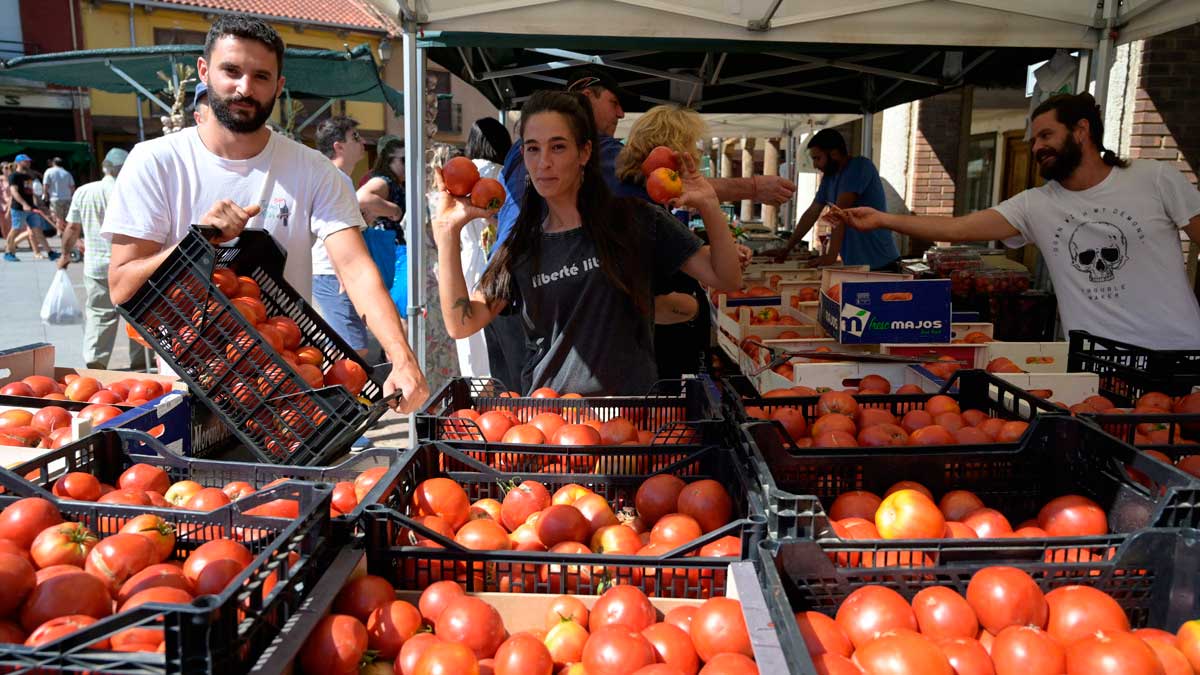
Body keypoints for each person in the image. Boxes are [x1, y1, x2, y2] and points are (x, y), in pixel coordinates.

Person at [100, 15, 428, 411]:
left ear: (279, 86)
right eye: (232, 71)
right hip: (184, 389)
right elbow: (122, 286)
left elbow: (355, 270)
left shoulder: (311, 169)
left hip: (287, 384)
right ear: (205, 72)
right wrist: (196, 242)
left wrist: (402, 356)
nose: (244, 88)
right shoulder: (156, 162)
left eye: (260, 77)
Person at [487, 69, 795, 390]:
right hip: (524, 291)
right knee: (540, 403)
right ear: (586, 97)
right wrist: (750, 188)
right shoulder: (605, 160)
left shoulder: (523, 154)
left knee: (523, 404)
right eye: (614, 102)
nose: (621, 113)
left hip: (512, 293)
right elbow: (654, 187)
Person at [432, 90, 743, 396]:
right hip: (553, 426)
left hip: (631, 423)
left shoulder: (634, 219)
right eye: (533, 149)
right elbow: (463, 323)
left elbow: (726, 277)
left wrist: (709, 205)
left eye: (557, 147)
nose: (544, 163)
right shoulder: (521, 244)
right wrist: (447, 234)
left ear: (584, 153)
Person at [836, 92, 1200, 350]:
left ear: (1081, 131)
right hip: (1096, 363)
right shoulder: (1036, 205)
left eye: (1046, 135)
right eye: (1033, 139)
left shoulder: (1152, 178)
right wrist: (883, 219)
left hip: (1179, 352)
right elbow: (959, 229)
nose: (1036, 146)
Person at [615, 104, 727, 379]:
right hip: (659, 360)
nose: (695, 156)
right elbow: (645, 298)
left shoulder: (637, 198)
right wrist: (694, 308)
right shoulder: (640, 209)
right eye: (691, 147)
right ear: (672, 152)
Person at [56, 148, 148, 370]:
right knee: (136, 314)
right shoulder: (133, 191)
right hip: (130, 266)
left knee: (99, 314)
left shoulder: (84, 191)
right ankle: (140, 361)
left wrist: (65, 254)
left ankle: (96, 361)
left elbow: (72, 228)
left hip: (97, 265)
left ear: (104, 167)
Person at [765, 129, 900, 269]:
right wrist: (786, 249)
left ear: (834, 154)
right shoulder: (829, 178)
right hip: (856, 264)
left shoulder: (859, 167)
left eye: (817, 158)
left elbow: (840, 213)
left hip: (881, 262)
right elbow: (811, 213)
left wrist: (831, 256)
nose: (815, 165)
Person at [312, 116, 373, 357]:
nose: (363, 142)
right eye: (355, 137)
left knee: (345, 347)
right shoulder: (336, 178)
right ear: (339, 146)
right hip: (333, 273)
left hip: (332, 272)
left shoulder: (335, 178)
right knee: (354, 350)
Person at [457, 117, 511, 379]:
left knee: (469, 340)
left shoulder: (458, 176)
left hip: (465, 261)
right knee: (498, 341)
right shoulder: (504, 172)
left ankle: (475, 395)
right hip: (498, 260)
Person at [360, 137, 408, 321]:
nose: (408, 164)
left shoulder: (395, 183)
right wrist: (394, 210)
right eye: (403, 160)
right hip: (392, 250)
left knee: (394, 310)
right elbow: (362, 198)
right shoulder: (385, 181)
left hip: (392, 249)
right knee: (399, 311)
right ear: (389, 160)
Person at [5, 153, 52, 261]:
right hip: (18, 208)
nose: (28, 163)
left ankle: (50, 252)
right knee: (15, 230)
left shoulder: (28, 176)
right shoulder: (14, 176)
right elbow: (14, 192)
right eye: (25, 161)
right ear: (18, 162)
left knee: (37, 230)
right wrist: (24, 204)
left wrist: (36, 205)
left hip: (31, 208)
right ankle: (9, 252)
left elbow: (30, 192)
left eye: (29, 161)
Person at [42, 157, 74, 235]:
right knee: (67, 217)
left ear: (53, 163)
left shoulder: (49, 171)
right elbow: (72, 186)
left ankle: (60, 233)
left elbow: (46, 184)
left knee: (58, 217)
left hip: (55, 198)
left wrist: (45, 194)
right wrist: (72, 195)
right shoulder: (67, 173)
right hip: (67, 198)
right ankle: (67, 232)